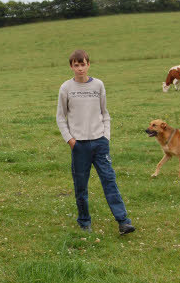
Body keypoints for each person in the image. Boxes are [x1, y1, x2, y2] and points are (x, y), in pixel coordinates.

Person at [56, 49, 135, 235]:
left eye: (83, 64)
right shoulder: (66, 88)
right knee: (81, 185)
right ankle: (84, 222)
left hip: (99, 142)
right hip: (79, 146)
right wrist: (70, 140)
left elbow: (105, 113)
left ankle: (123, 221)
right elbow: (60, 117)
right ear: (71, 67)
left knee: (109, 180)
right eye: (76, 65)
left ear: (88, 64)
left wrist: (105, 136)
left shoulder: (98, 85)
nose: (80, 68)